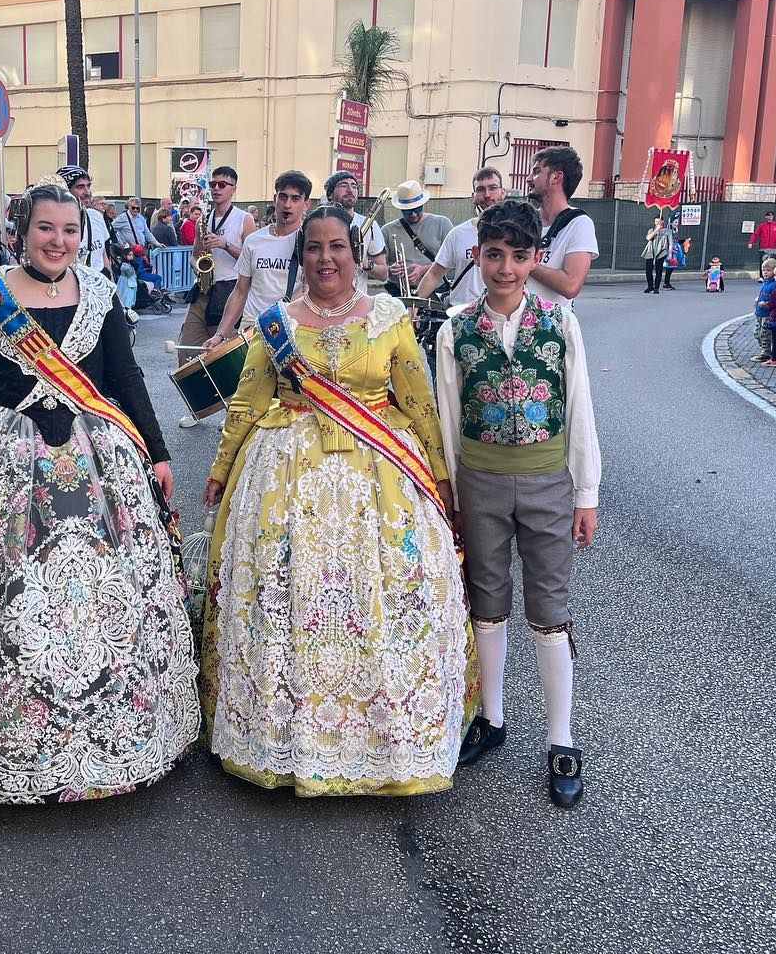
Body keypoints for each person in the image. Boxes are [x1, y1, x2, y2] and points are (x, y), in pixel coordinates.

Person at [0, 179, 197, 801]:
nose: (58, 241)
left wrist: (159, 452)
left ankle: (112, 739)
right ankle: (8, 741)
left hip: (95, 461)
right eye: (46, 228)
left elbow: (125, 377)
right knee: (5, 600)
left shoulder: (101, 296)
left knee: (100, 600)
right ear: (20, 231)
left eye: (69, 230)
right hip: (3, 465)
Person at [200, 204, 472, 795]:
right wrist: (222, 468)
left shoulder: (389, 319)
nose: (326, 258)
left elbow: (419, 400)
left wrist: (442, 479)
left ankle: (388, 737)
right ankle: (284, 737)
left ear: (355, 254)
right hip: (288, 478)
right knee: (289, 596)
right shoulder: (276, 323)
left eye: (338, 247)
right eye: (315, 248)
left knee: (384, 595)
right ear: (303, 257)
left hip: (382, 480)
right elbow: (248, 400)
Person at [434, 198, 600, 808]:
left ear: (537, 259)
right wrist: (449, 490)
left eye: (519, 256)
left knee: (550, 607)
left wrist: (586, 493)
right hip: (478, 481)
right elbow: (449, 419)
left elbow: (579, 409)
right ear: (477, 255)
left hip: (548, 483)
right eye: (494, 255)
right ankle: (494, 718)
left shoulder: (561, 325)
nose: (505, 269)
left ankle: (561, 736)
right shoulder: (455, 329)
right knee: (487, 599)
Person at [174, 165, 258, 425]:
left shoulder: (245, 219)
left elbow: (252, 257)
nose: (217, 188)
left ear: (234, 188)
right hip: (205, 289)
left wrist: (225, 245)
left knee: (224, 352)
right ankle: (197, 406)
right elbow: (195, 254)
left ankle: (231, 410)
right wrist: (198, 266)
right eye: (213, 184)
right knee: (187, 346)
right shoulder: (203, 220)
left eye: (223, 184)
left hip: (230, 288)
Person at [205, 170, 311, 346]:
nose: (287, 205)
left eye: (295, 199)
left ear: (306, 204)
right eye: (283, 197)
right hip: (251, 330)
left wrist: (277, 318)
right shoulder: (255, 240)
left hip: (291, 331)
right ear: (274, 198)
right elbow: (240, 290)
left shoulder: (310, 241)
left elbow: (310, 290)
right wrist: (220, 335)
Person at [408, 171, 497, 305]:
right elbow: (434, 274)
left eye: (493, 188)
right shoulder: (458, 234)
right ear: (473, 196)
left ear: (503, 192)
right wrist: (414, 305)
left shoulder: (517, 234)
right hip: (460, 313)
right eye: (480, 189)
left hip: (500, 314)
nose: (487, 194)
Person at [525, 146, 599, 306]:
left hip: (552, 326)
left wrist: (524, 262)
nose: (528, 179)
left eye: (536, 171)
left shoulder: (579, 223)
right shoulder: (525, 220)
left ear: (556, 178)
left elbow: (570, 286)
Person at [325, 169, 389, 283]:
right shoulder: (319, 223)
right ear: (330, 194)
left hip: (356, 298)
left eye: (354, 186)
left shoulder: (370, 225)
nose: (350, 190)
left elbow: (383, 273)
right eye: (343, 185)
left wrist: (364, 263)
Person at [56, 165, 109, 274]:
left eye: (88, 186)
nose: (87, 192)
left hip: (98, 282)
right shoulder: (54, 223)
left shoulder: (96, 216)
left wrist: (111, 285)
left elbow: (103, 257)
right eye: (80, 187)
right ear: (65, 191)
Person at [752, 257, 776, 363]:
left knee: (765, 333)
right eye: (764, 270)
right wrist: (757, 301)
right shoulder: (765, 283)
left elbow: (775, 300)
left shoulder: (774, 285)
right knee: (757, 333)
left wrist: (767, 304)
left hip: (767, 313)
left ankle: (766, 352)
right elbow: (763, 295)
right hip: (760, 312)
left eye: (768, 270)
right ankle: (764, 349)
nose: (765, 272)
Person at [641, 215, 672, 294]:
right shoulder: (651, 230)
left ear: (662, 221)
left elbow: (670, 243)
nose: (657, 223)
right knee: (648, 270)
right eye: (656, 221)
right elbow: (648, 238)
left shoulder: (667, 231)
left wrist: (670, 254)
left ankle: (656, 287)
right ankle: (650, 286)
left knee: (658, 271)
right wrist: (656, 231)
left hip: (661, 252)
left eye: (658, 221)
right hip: (651, 251)